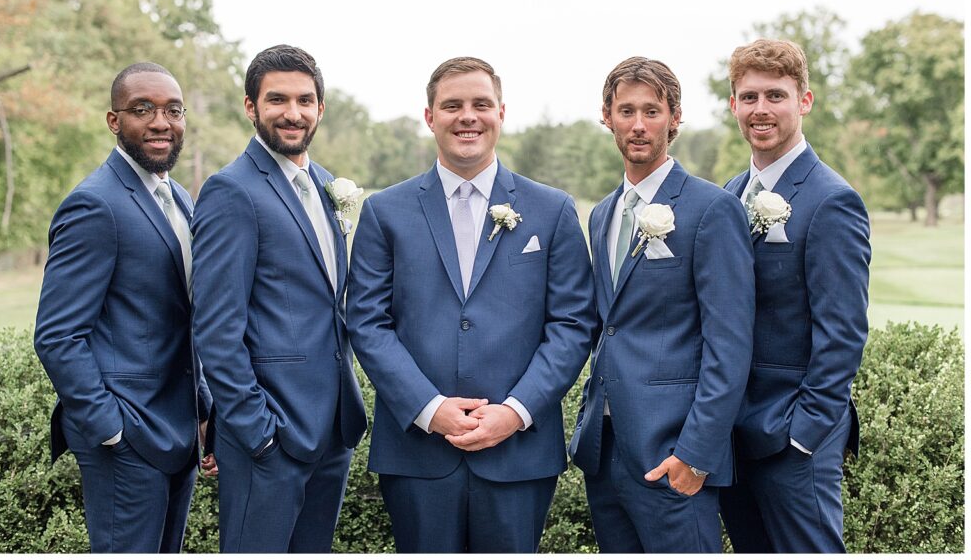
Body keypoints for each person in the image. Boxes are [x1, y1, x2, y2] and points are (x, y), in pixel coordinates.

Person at [346, 56, 595, 553]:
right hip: (417, 453)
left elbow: (571, 325)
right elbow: (367, 322)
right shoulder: (384, 211)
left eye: (481, 104)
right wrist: (429, 408)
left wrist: (516, 411)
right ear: (429, 116)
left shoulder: (552, 210)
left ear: (502, 113)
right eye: (452, 105)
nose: (468, 116)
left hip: (518, 451)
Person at [568, 56, 754, 553]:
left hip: (674, 456)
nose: (638, 124)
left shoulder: (712, 208)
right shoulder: (603, 215)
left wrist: (695, 455)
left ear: (674, 117)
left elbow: (729, 346)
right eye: (626, 111)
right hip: (604, 454)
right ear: (606, 116)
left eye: (652, 111)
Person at [191, 44, 367, 553]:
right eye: (277, 100)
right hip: (270, 437)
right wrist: (256, 431)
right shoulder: (232, 191)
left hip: (332, 430)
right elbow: (216, 328)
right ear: (251, 108)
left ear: (320, 108)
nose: (293, 113)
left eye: (305, 100)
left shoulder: (328, 185)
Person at [34, 62, 214, 553]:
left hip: (178, 430)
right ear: (114, 121)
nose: (161, 122)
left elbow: (182, 316)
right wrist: (109, 429)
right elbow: (56, 336)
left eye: (172, 110)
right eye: (143, 110)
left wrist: (202, 408)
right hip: (127, 438)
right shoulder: (94, 205)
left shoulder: (178, 197)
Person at [718, 39, 871, 553]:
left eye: (776, 96)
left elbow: (843, 333)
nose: (761, 110)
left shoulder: (832, 200)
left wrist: (804, 433)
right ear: (734, 105)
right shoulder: (730, 193)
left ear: (804, 101)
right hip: (733, 434)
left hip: (792, 439)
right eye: (749, 97)